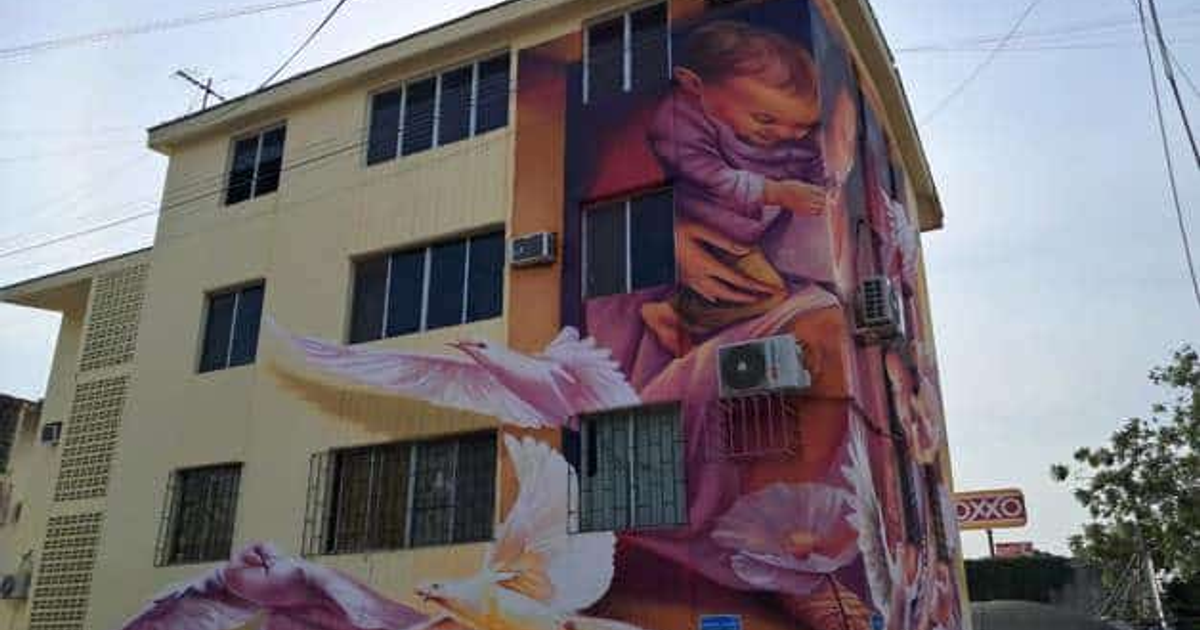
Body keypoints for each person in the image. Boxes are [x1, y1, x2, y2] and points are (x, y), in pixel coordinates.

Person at [641, 20, 857, 355]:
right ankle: (669, 314)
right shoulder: (680, 120)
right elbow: (713, 177)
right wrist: (776, 192)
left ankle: (678, 316)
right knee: (767, 293)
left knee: (771, 293)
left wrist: (822, 181)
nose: (785, 134)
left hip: (748, 239)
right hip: (708, 235)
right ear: (693, 85)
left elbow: (809, 162)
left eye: (802, 125)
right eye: (766, 120)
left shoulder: (788, 137)